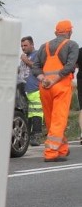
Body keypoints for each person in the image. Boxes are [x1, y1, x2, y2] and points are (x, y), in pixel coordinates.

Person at [32, 20, 79, 162]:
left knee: (51, 120)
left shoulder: (43, 46)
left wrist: (43, 79)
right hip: (61, 86)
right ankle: (51, 153)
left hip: (45, 87)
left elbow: (35, 67)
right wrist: (55, 79)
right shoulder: (72, 45)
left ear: (55, 32)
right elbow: (70, 66)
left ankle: (62, 149)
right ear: (70, 32)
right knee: (59, 120)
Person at [19, 36, 43, 145]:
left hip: (35, 89)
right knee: (27, 116)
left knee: (37, 114)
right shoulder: (24, 58)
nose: (23, 48)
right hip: (24, 91)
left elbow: (38, 68)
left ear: (32, 44)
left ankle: (36, 137)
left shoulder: (37, 54)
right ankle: (27, 138)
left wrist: (26, 60)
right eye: (22, 46)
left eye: (25, 45)